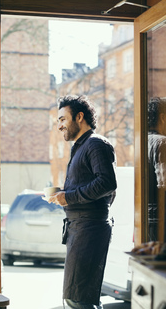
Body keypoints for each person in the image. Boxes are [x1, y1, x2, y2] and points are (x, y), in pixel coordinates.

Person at [48, 95, 117, 309]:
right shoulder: (80, 146)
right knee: (77, 297)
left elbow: (107, 184)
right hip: (80, 229)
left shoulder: (96, 144)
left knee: (78, 299)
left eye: (62, 119)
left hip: (89, 229)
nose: (59, 126)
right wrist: (64, 193)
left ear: (79, 117)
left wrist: (69, 197)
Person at [147, 97, 166, 241]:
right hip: (160, 220)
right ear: (163, 118)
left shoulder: (141, 142)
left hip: (143, 219)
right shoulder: (163, 142)